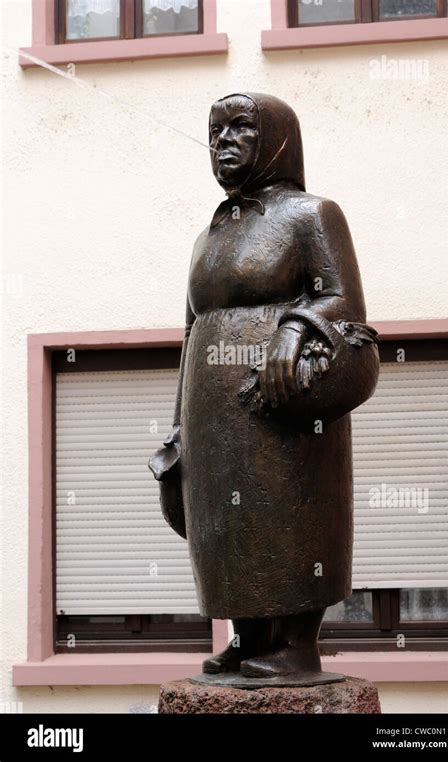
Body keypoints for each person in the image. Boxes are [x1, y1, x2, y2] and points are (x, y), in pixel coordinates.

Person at [150, 92, 378, 683]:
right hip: (214, 417)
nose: (223, 142)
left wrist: (294, 329)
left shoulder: (311, 215)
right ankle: (248, 636)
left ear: (276, 138)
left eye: (241, 129)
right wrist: (178, 425)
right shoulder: (208, 237)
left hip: (285, 406)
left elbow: (342, 302)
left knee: (291, 511)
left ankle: (297, 644)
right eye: (214, 131)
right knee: (225, 522)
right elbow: (190, 333)